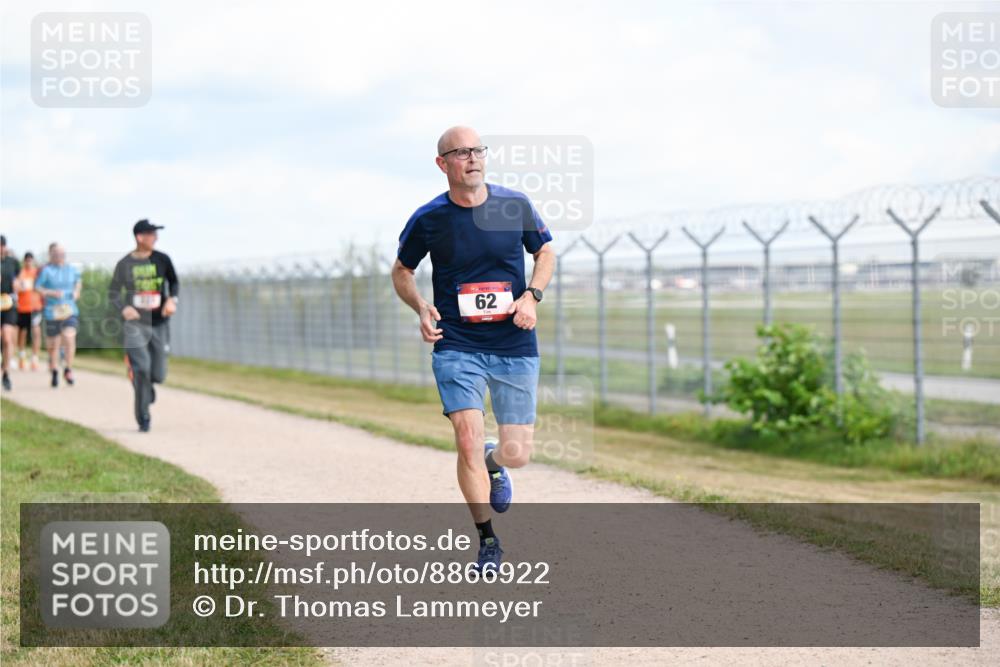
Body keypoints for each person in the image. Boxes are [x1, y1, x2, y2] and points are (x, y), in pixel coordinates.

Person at [390, 127, 555, 573]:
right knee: (464, 439)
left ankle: (493, 461)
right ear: (443, 163)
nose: (473, 158)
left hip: (513, 341)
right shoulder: (429, 218)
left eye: (478, 150)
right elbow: (402, 269)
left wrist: (531, 297)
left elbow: (545, 253)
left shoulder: (513, 204)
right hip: (457, 343)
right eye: (461, 152)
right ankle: (487, 541)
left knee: (517, 452)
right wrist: (421, 305)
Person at [109, 219, 179, 432]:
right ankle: (143, 417)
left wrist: (171, 300)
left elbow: (174, 282)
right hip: (135, 325)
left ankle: (148, 387)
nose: (155, 238)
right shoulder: (124, 264)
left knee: (158, 374)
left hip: (159, 323)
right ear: (140, 237)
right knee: (142, 369)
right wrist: (123, 308)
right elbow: (113, 292)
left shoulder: (162, 259)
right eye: (152, 234)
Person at [35, 243, 81, 388]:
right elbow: (37, 287)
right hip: (52, 311)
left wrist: (76, 291)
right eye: (56, 254)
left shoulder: (72, 269)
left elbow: (78, 282)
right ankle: (54, 369)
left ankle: (68, 368)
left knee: (69, 336)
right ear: (51, 255)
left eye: (62, 254)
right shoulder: (46, 270)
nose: (60, 256)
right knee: (53, 344)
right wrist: (49, 293)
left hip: (69, 310)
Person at [15, 252, 43, 371]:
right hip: (22, 307)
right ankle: (22, 356)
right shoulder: (20, 273)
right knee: (22, 333)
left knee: (36, 332)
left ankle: (35, 359)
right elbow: (15, 286)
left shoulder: (37, 273)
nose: (28, 262)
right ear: (24, 261)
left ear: (33, 261)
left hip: (35, 307)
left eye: (30, 260)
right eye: (26, 260)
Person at [0, 236, 21, 391]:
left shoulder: (12, 262)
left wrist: (17, 285)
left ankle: (6, 373)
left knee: (7, 338)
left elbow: (18, 280)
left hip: (8, 304)